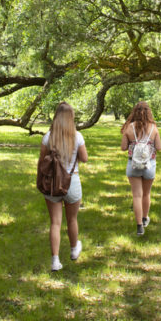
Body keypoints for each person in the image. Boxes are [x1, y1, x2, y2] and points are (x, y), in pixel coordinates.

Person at [39, 102, 89, 272]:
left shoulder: (48, 137)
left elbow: (41, 162)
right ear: (71, 118)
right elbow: (84, 158)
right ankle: (74, 250)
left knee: (55, 222)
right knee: (72, 219)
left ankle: (55, 260)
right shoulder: (77, 136)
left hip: (52, 183)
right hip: (72, 181)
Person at [120, 101, 161, 236]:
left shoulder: (129, 127)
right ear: (148, 112)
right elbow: (159, 147)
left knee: (136, 195)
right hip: (149, 164)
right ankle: (144, 218)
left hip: (133, 165)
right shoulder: (154, 127)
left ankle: (139, 227)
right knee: (146, 193)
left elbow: (123, 147)